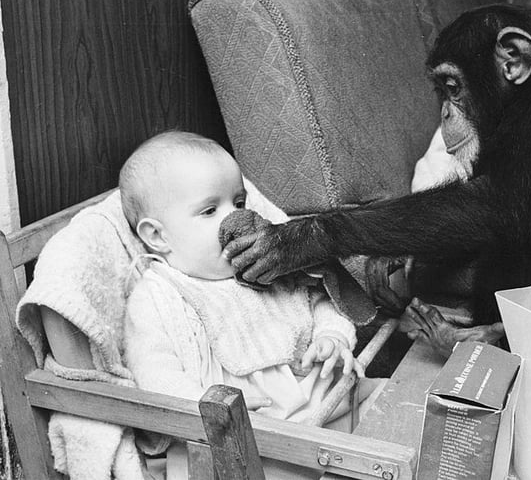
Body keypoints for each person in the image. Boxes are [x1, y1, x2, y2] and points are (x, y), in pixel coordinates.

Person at [120, 131, 376, 478]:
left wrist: (333, 337)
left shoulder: (263, 260)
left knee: (386, 403)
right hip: (239, 437)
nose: (235, 220)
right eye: (210, 210)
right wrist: (210, 407)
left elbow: (318, 298)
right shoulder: (157, 295)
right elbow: (155, 373)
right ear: (158, 236)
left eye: (239, 202)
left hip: (318, 402)